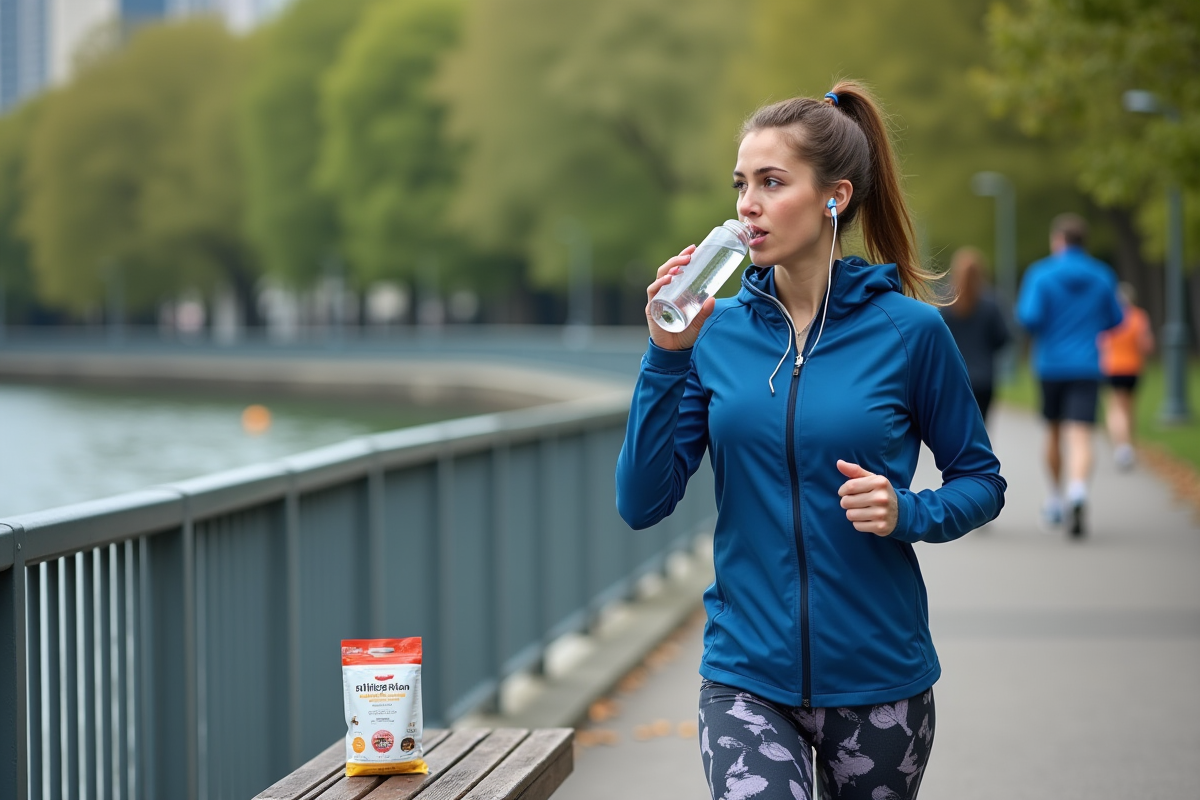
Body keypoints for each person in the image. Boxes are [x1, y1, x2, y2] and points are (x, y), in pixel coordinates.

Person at [615, 81, 1006, 800]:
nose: (747, 204)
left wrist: (908, 511)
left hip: (879, 680)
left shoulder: (909, 332)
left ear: (834, 197)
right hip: (745, 675)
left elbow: (982, 482)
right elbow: (641, 501)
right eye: (741, 184)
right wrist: (666, 356)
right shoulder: (715, 335)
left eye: (771, 182)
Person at [1016, 213, 1123, 538]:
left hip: (1050, 365)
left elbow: (1029, 317)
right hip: (1088, 365)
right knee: (1081, 435)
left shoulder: (1041, 273)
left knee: (1053, 432)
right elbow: (1116, 319)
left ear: (1059, 240)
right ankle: (1078, 492)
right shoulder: (1102, 275)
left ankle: (1054, 500)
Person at [938, 247, 1011, 424]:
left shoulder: (945, 303)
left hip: (953, 377)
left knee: (954, 428)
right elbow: (1003, 338)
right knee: (980, 428)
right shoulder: (991, 302)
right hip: (984, 378)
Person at [1099, 282, 1154, 470]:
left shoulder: (1107, 316)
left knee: (1114, 407)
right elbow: (1146, 345)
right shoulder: (1139, 317)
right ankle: (1128, 444)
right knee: (1129, 408)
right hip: (1133, 368)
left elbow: (1100, 343)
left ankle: (1121, 447)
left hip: (1111, 367)